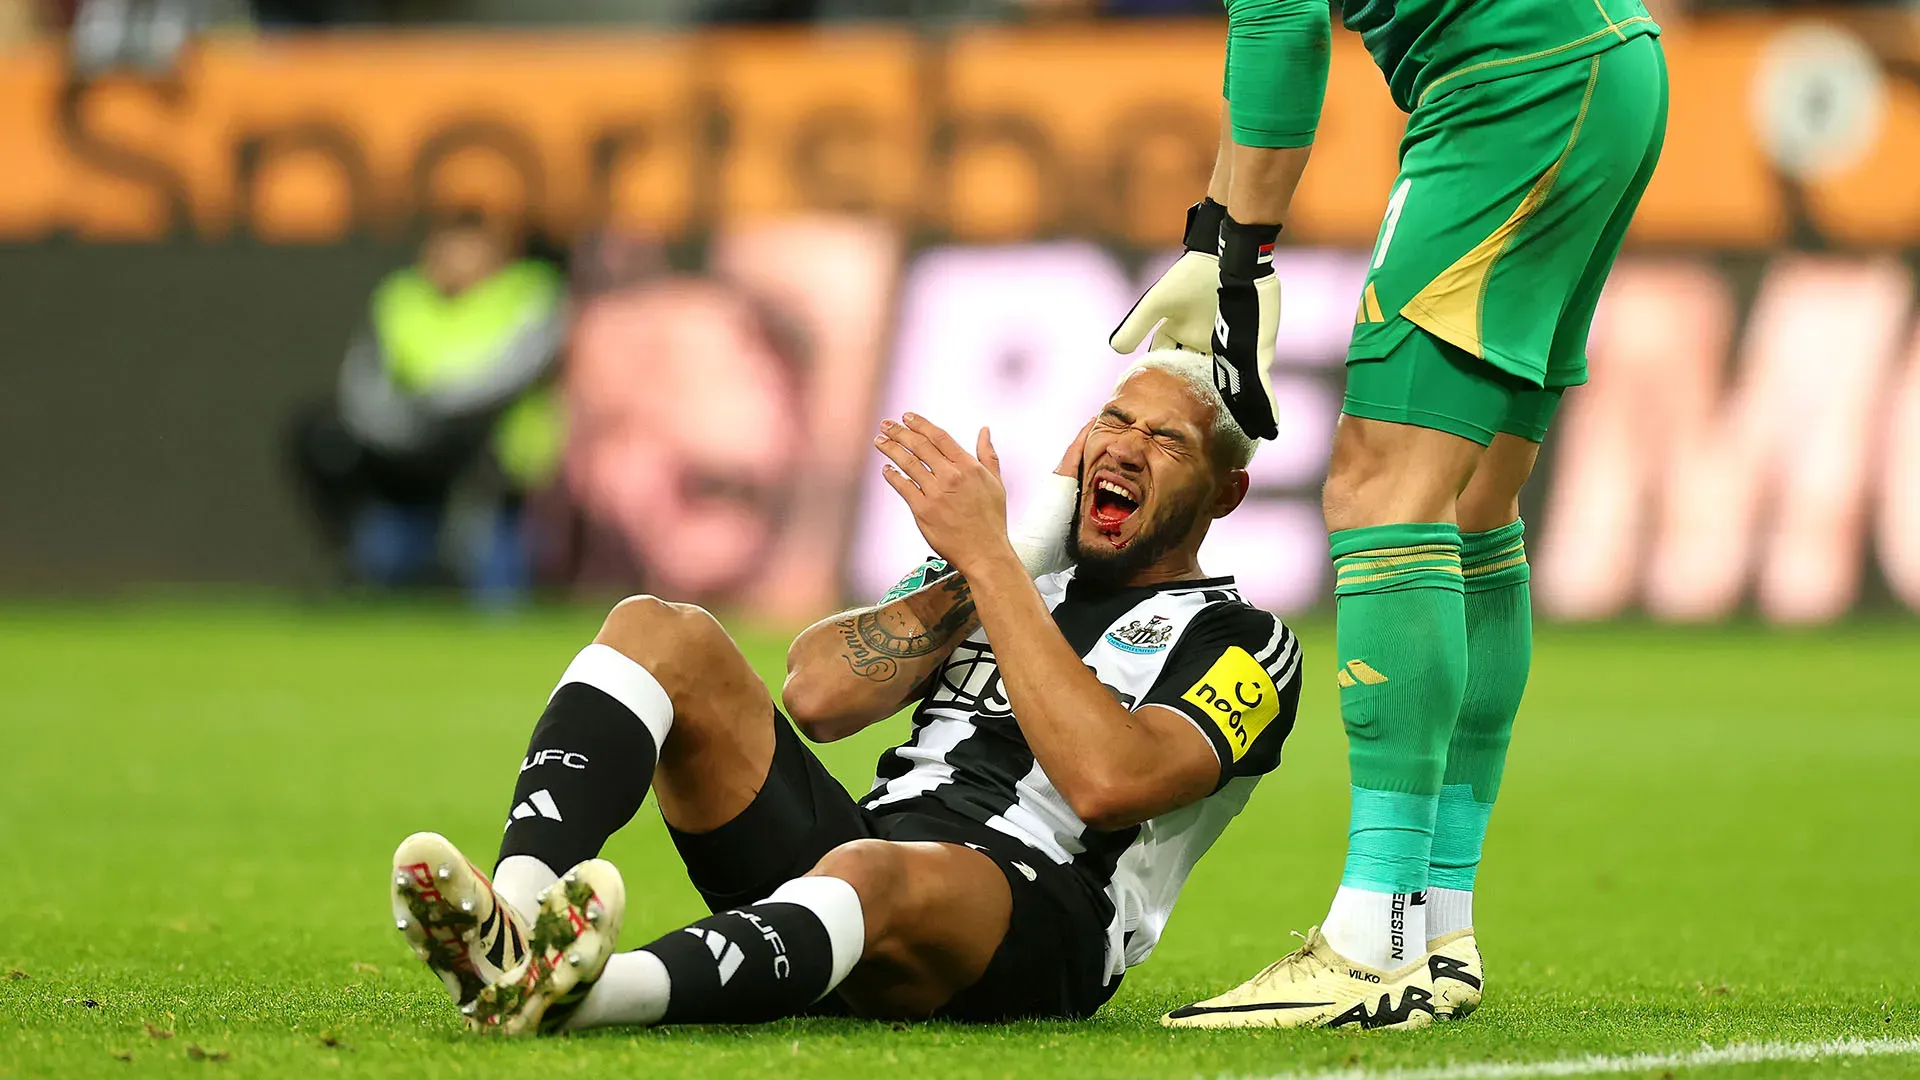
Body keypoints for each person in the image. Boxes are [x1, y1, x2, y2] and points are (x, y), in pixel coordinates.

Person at [387, 350, 1302, 1032]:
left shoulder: (1247, 643)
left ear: (1227, 494)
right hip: (862, 851)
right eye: (1114, 421)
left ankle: (577, 997)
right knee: (657, 631)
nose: (1127, 448)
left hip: (1040, 913)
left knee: (866, 873)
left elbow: (1111, 782)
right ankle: (515, 922)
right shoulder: (1006, 571)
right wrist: (1007, 558)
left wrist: (989, 556)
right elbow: (818, 696)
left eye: (1166, 439)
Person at [1108, 0, 1668, 1031]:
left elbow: (1280, 28)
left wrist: (1245, 253)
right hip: (1599, 67)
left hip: (1510, 85)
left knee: (1381, 486)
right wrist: (1212, 236)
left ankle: (1377, 941)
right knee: (1471, 503)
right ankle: (1437, 921)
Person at [287, 210, 565, 605]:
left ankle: (489, 593)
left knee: (495, 593)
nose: (456, 259)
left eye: (471, 249)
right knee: (324, 438)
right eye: (447, 246)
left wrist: (434, 405)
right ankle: (374, 571)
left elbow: (509, 376)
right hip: (414, 450)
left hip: (495, 458)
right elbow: (365, 383)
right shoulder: (402, 297)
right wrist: (400, 429)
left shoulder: (529, 292)